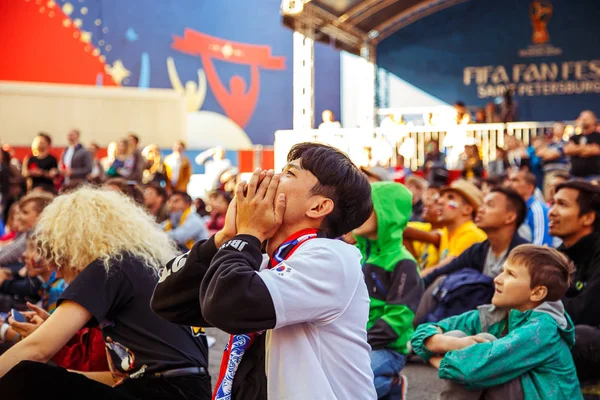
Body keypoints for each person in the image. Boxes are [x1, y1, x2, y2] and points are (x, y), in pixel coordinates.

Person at [152, 143, 377, 399]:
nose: (270, 176)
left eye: (289, 174)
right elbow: (168, 302)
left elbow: (225, 304)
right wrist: (226, 237)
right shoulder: (265, 260)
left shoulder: (332, 258)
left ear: (317, 207)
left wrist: (249, 233)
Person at [0, 187, 211, 400]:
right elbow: (117, 379)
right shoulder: (144, 265)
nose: (59, 269)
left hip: (161, 391)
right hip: (187, 390)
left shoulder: (110, 267)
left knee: (26, 375)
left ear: (74, 244)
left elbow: (37, 348)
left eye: (60, 257)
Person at [411, 245, 581, 400]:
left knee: (485, 351)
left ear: (537, 293)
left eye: (511, 274)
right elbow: (421, 334)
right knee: (458, 337)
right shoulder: (502, 312)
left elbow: (473, 370)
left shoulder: (544, 328)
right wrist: (450, 342)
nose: (497, 279)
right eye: (502, 271)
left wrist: (436, 357)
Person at [416, 188, 529, 324]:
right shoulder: (478, 251)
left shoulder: (524, 256)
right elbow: (440, 272)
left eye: (490, 205)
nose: (480, 209)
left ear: (510, 217)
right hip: (477, 320)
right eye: (482, 204)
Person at [353, 182, 423, 399]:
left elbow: (398, 318)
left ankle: (393, 385)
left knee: (357, 382)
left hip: (387, 348)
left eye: (368, 207)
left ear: (388, 214)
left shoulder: (403, 263)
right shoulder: (354, 253)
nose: (358, 213)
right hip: (354, 340)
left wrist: (360, 341)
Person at [548, 180, 600, 384]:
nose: (551, 211)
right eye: (553, 203)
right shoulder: (557, 255)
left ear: (588, 217)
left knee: (578, 336)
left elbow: (587, 311)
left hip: (589, 337)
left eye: (562, 205)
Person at [420, 179, 487, 271]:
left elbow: (440, 270)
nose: (440, 201)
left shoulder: (470, 233)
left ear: (467, 209)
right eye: (442, 196)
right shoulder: (446, 232)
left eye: (450, 197)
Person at [506, 170, 552, 246]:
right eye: (509, 180)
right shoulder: (513, 210)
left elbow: (541, 247)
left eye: (515, 180)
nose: (508, 184)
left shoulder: (537, 210)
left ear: (529, 187)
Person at [404, 186, 442, 270]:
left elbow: (404, 230)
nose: (428, 203)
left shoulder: (445, 232)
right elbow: (401, 228)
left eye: (436, 202)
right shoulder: (427, 227)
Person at [564, 110, 600, 181]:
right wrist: (585, 148)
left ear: (593, 120)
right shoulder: (574, 137)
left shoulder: (597, 136)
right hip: (575, 177)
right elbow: (567, 150)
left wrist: (576, 149)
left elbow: (595, 150)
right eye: (582, 118)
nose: (583, 120)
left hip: (595, 177)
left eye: (586, 118)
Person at [536, 122, 569, 197]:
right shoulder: (548, 144)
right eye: (555, 128)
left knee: (561, 195)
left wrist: (549, 153)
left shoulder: (567, 143)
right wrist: (552, 152)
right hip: (548, 173)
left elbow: (553, 155)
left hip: (562, 172)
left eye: (559, 128)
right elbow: (539, 153)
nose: (556, 130)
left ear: (563, 130)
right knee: (548, 196)